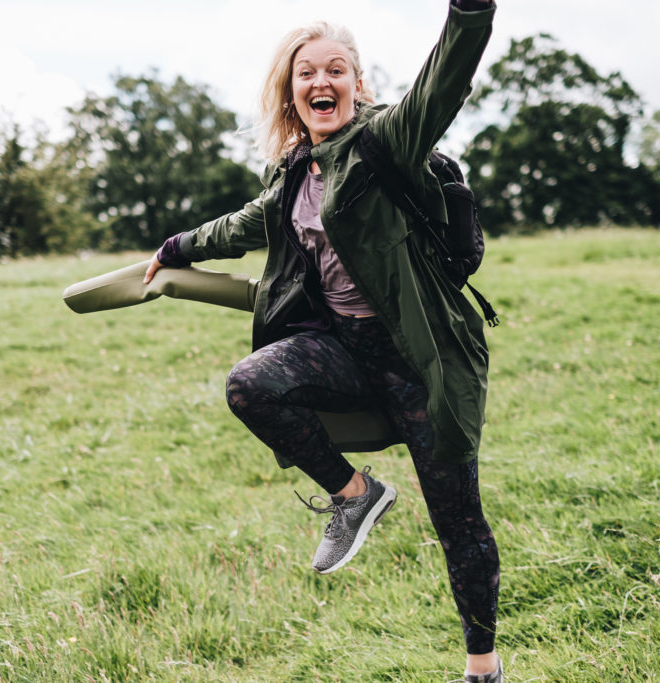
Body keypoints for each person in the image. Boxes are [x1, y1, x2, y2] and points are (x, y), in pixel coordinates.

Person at [145, 2, 501, 679]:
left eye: (336, 70)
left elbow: (448, 72)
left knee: (459, 521)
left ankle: (482, 665)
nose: (321, 82)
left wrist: (470, 11)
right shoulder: (292, 171)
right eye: (307, 72)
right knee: (249, 385)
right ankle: (354, 493)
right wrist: (178, 246)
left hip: (419, 360)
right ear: (291, 91)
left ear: (357, 83)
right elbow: (248, 223)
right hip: (343, 350)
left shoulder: (388, 140)